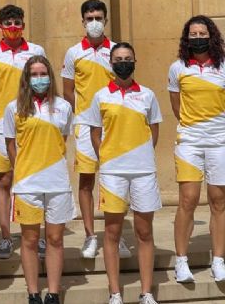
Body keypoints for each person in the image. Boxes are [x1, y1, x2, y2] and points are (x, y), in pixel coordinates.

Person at [81, 42, 162, 304]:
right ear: (111, 63)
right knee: (112, 232)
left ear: (135, 61)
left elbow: (154, 132)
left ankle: (146, 292)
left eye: (127, 58)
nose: (123, 62)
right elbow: (95, 133)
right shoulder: (101, 96)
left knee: (144, 231)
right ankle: (115, 292)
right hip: (113, 172)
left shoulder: (148, 95)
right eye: (118, 58)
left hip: (143, 172)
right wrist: (108, 157)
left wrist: (139, 157)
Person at [61, 0, 130, 259]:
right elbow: (68, 90)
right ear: (82, 21)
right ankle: (90, 236)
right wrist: (83, 115)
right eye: (89, 18)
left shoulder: (116, 51)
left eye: (98, 17)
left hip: (114, 125)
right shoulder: (73, 52)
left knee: (117, 180)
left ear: (106, 20)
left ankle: (118, 235)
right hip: (85, 125)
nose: (94, 22)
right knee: (87, 180)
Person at [4, 55, 74, 304]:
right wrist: (24, 168)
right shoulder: (14, 108)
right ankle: (33, 292)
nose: (39, 78)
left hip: (57, 182)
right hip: (28, 184)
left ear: (50, 76)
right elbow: (11, 145)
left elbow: (62, 139)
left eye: (43, 73)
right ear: (26, 78)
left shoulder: (64, 107)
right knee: (30, 239)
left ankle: (53, 293)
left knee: (55, 238)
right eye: (34, 74)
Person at [0, 4, 46, 260]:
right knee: (4, 181)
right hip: (1, 125)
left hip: (31, 122)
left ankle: (36, 236)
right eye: (8, 23)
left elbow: (43, 81)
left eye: (17, 22)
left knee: (34, 180)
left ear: (23, 24)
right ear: (0, 26)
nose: (13, 27)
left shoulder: (36, 51)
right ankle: (6, 236)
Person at [168, 15, 225, 283]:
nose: (198, 37)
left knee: (219, 201)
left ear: (211, 36)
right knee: (188, 199)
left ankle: (218, 260)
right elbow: (176, 107)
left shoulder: (224, 66)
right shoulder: (177, 68)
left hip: (220, 142)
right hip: (189, 141)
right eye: (193, 34)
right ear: (186, 38)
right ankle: (181, 261)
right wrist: (194, 127)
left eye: (202, 33)